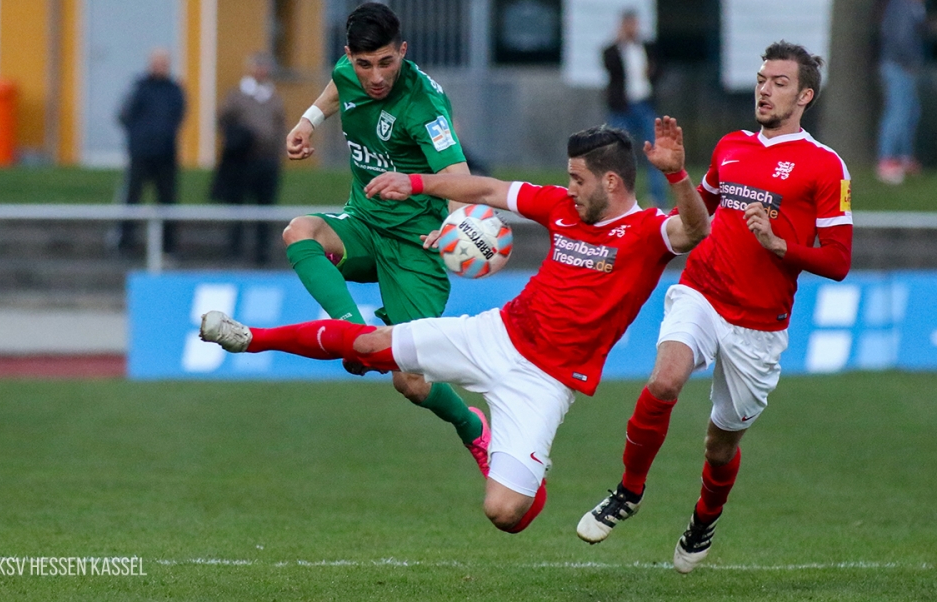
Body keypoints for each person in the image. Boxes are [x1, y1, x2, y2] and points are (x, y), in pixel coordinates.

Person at [199, 119, 710, 533]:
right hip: (494, 335)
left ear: (611, 182)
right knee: (373, 345)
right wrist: (416, 183)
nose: (569, 187)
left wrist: (678, 176)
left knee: (506, 514)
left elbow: (695, 228)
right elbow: (486, 188)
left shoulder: (647, 232)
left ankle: (525, 472)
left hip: (545, 382)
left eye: (578, 179)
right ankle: (250, 338)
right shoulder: (559, 206)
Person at [576, 41, 853, 573]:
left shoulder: (826, 167)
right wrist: (677, 174)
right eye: (762, 79)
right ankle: (628, 492)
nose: (764, 89)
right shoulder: (731, 146)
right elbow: (698, 217)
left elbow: (839, 261)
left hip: (759, 323)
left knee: (720, 446)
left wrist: (780, 247)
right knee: (664, 381)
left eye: (778, 82)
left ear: (805, 95)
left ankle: (704, 519)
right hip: (703, 289)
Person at [282, 2, 489, 474]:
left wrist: (455, 226)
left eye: (386, 63)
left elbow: (457, 173)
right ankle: (351, 332)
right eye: (364, 64)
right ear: (350, 56)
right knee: (300, 231)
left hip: (417, 247)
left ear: (403, 51)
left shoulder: (424, 105)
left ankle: (471, 427)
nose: (375, 76)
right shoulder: (349, 71)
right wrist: (307, 122)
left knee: (411, 383)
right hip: (364, 223)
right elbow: (337, 88)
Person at [212, 52, 287, 264]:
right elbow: (223, 119)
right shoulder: (237, 95)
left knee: (265, 207)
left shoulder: (272, 96)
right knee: (239, 207)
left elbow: (279, 124)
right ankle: (234, 249)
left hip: (267, 160)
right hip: (243, 160)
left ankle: (262, 252)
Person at [115, 48, 186, 254]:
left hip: (165, 153)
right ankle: (125, 242)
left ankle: (168, 245)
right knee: (132, 197)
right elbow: (124, 114)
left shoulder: (174, 89)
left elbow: (179, 114)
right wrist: (139, 137)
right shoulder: (139, 87)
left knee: (167, 199)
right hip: (141, 153)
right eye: (157, 62)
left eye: (164, 63)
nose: (160, 67)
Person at [875, 0, 933, 185]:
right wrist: (909, 62)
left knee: (910, 111)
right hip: (898, 65)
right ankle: (887, 158)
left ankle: (903, 157)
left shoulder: (913, 6)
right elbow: (900, 36)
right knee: (897, 111)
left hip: (904, 65)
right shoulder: (902, 4)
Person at [603, 10, 665, 207]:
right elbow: (609, 65)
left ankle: (657, 196)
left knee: (654, 151)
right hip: (622, 107)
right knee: (617, 152)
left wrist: (652, 72)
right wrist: (619, 43)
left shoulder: (646, 47)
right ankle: (618, 196)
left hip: (644, 103)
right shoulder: (613, 50)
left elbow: (660, 69)